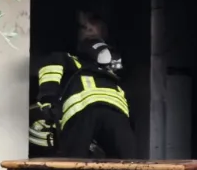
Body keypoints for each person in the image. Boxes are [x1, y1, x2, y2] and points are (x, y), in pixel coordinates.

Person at [35, 11, 136, 159]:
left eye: (93, 26)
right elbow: (50, 71)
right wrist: (48, 100)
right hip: (83, 111)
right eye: (84, 27)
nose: (89, 30)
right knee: (76, 161)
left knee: (129, 163)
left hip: (111, 112)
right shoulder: (66, 58)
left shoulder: (115, 66)